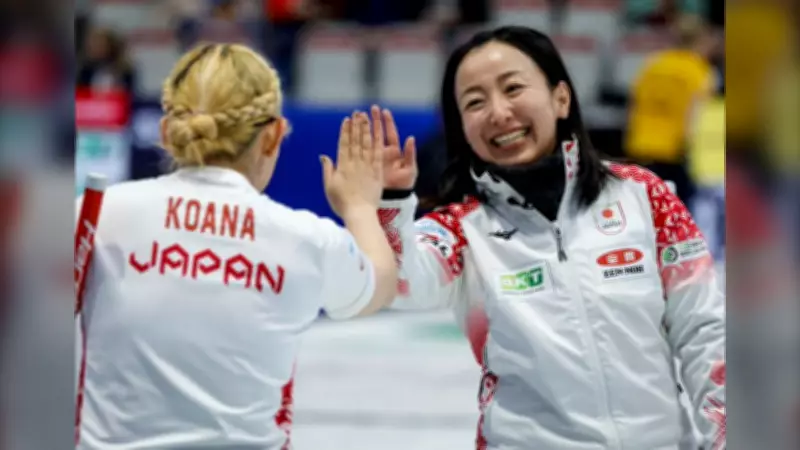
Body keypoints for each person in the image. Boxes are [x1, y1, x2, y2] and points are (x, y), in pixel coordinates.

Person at [371, 26, 725, 449]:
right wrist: (390, 203)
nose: (499, 112)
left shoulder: (644, 195)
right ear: (462, 127)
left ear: (561, 98)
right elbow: (398, 284)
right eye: (475, 102)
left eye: (513, 88)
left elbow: (706, 331)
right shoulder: (460, 229)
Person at [74, 43, 397, 450]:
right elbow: (380, 285)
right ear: (273, 136)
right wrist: (360, 206)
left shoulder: (98, 215)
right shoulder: (305, 239)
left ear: (166, 131)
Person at [624, 14, 718, 204]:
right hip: (673, 153)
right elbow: (696, 116)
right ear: (701, 41)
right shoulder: (700, 72)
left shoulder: (652, 65)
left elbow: (634, 103)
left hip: (641, 147)